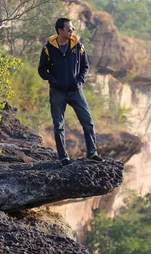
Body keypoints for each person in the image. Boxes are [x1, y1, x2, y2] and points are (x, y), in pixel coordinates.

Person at [38, 18, 104, 164]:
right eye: (69, 29)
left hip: (76, 91)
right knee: (58, 125)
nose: (72, 31)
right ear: (60, 31)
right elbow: (42, 69)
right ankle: (63, 157)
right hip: (57, 92)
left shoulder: (78, 46)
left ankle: (92, 153)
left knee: (88, 122)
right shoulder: (48, 48)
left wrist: (79, 81)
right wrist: (53, 80)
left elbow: (85, 66)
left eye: (73, 29)